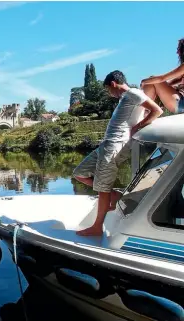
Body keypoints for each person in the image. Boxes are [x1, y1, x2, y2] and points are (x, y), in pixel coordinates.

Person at [73, 70, 163, 237]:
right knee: (79, 173)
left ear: (113, 84)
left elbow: (157, 110)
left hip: (114, 147)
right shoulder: (125, 99)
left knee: (102, 188)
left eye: (108, 89)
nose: (109, 93)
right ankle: (115, 195)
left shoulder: (133, 93)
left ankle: (97, 227)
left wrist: (139, 126)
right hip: (106, 146)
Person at [140, 38, 184, 114]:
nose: (177, 52)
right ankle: (145, 111)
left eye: (179, 49)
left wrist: (143, 81)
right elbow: (170, 82)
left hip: (181, 104)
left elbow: (162, 78)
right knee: (152, 82)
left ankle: (143, 113)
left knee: (150, 81)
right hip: (180, 102)